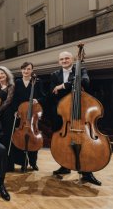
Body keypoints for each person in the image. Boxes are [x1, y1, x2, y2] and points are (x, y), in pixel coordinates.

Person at [49, 51, 101, 185]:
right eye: (62, 59)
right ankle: (65, 166)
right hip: (64, 112)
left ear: (72, 60)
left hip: (80, 113)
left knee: (85, 143)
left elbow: (84, 81)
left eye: (67, 58)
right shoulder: (54, 75)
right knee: (65, 142)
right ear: (59, 61)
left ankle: (87, 172)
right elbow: (52, 92)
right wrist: (65, 88)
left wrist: (63, 86)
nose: (64, 60)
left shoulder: (81, 69)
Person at [11, 62, 45, 171]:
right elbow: (14, 98)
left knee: (33, 139)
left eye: (28, 69)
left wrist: (37, 100)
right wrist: (16, 110)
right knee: (21, 140)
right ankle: (23, 163)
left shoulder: (37, 82)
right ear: (21, 70)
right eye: (24, 69)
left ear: (32, 70)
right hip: (22, 115)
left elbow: (43, 96)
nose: (26, 71)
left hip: (33, 113)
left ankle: (33, 162)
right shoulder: (18, 82)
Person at [0, 66, 15, 166]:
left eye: (2, 73)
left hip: (7, 115)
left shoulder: (11, 86)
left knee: (6, 138)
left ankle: (8, 164)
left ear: (6, 74)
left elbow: (8, 101)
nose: (0, 76)